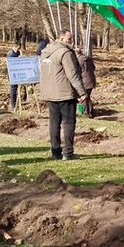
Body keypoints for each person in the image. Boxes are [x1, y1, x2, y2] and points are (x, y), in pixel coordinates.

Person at [40, 30, 85, 160]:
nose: (71, 41)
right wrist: (82, 92)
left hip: (49, 93)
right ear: (61, 38)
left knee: (54, 123)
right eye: (69, 39)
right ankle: (68, 153)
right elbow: (73, 75)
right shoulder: (65, 53)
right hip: (65, 93)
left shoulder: (45, 51)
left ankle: (55, 153)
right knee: (68, 123)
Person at [77, 48, 96, 118]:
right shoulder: (88, 58)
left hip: (84, 81)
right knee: (87, 97)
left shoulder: (78, 60)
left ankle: (85, 113)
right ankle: (91, 111)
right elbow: (94, 68)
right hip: (91, 80)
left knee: (83, 97)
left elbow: (77, 71)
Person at [7, 43, 21, 111]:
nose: (18, 50)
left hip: (18, 72)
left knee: (18, 88)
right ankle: (13, 104)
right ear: (13, 47)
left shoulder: (18, 52)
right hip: (12, 74)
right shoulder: (10, 54)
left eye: (18, 48)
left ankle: (18, 101)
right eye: (17, 48)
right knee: (13, 88)